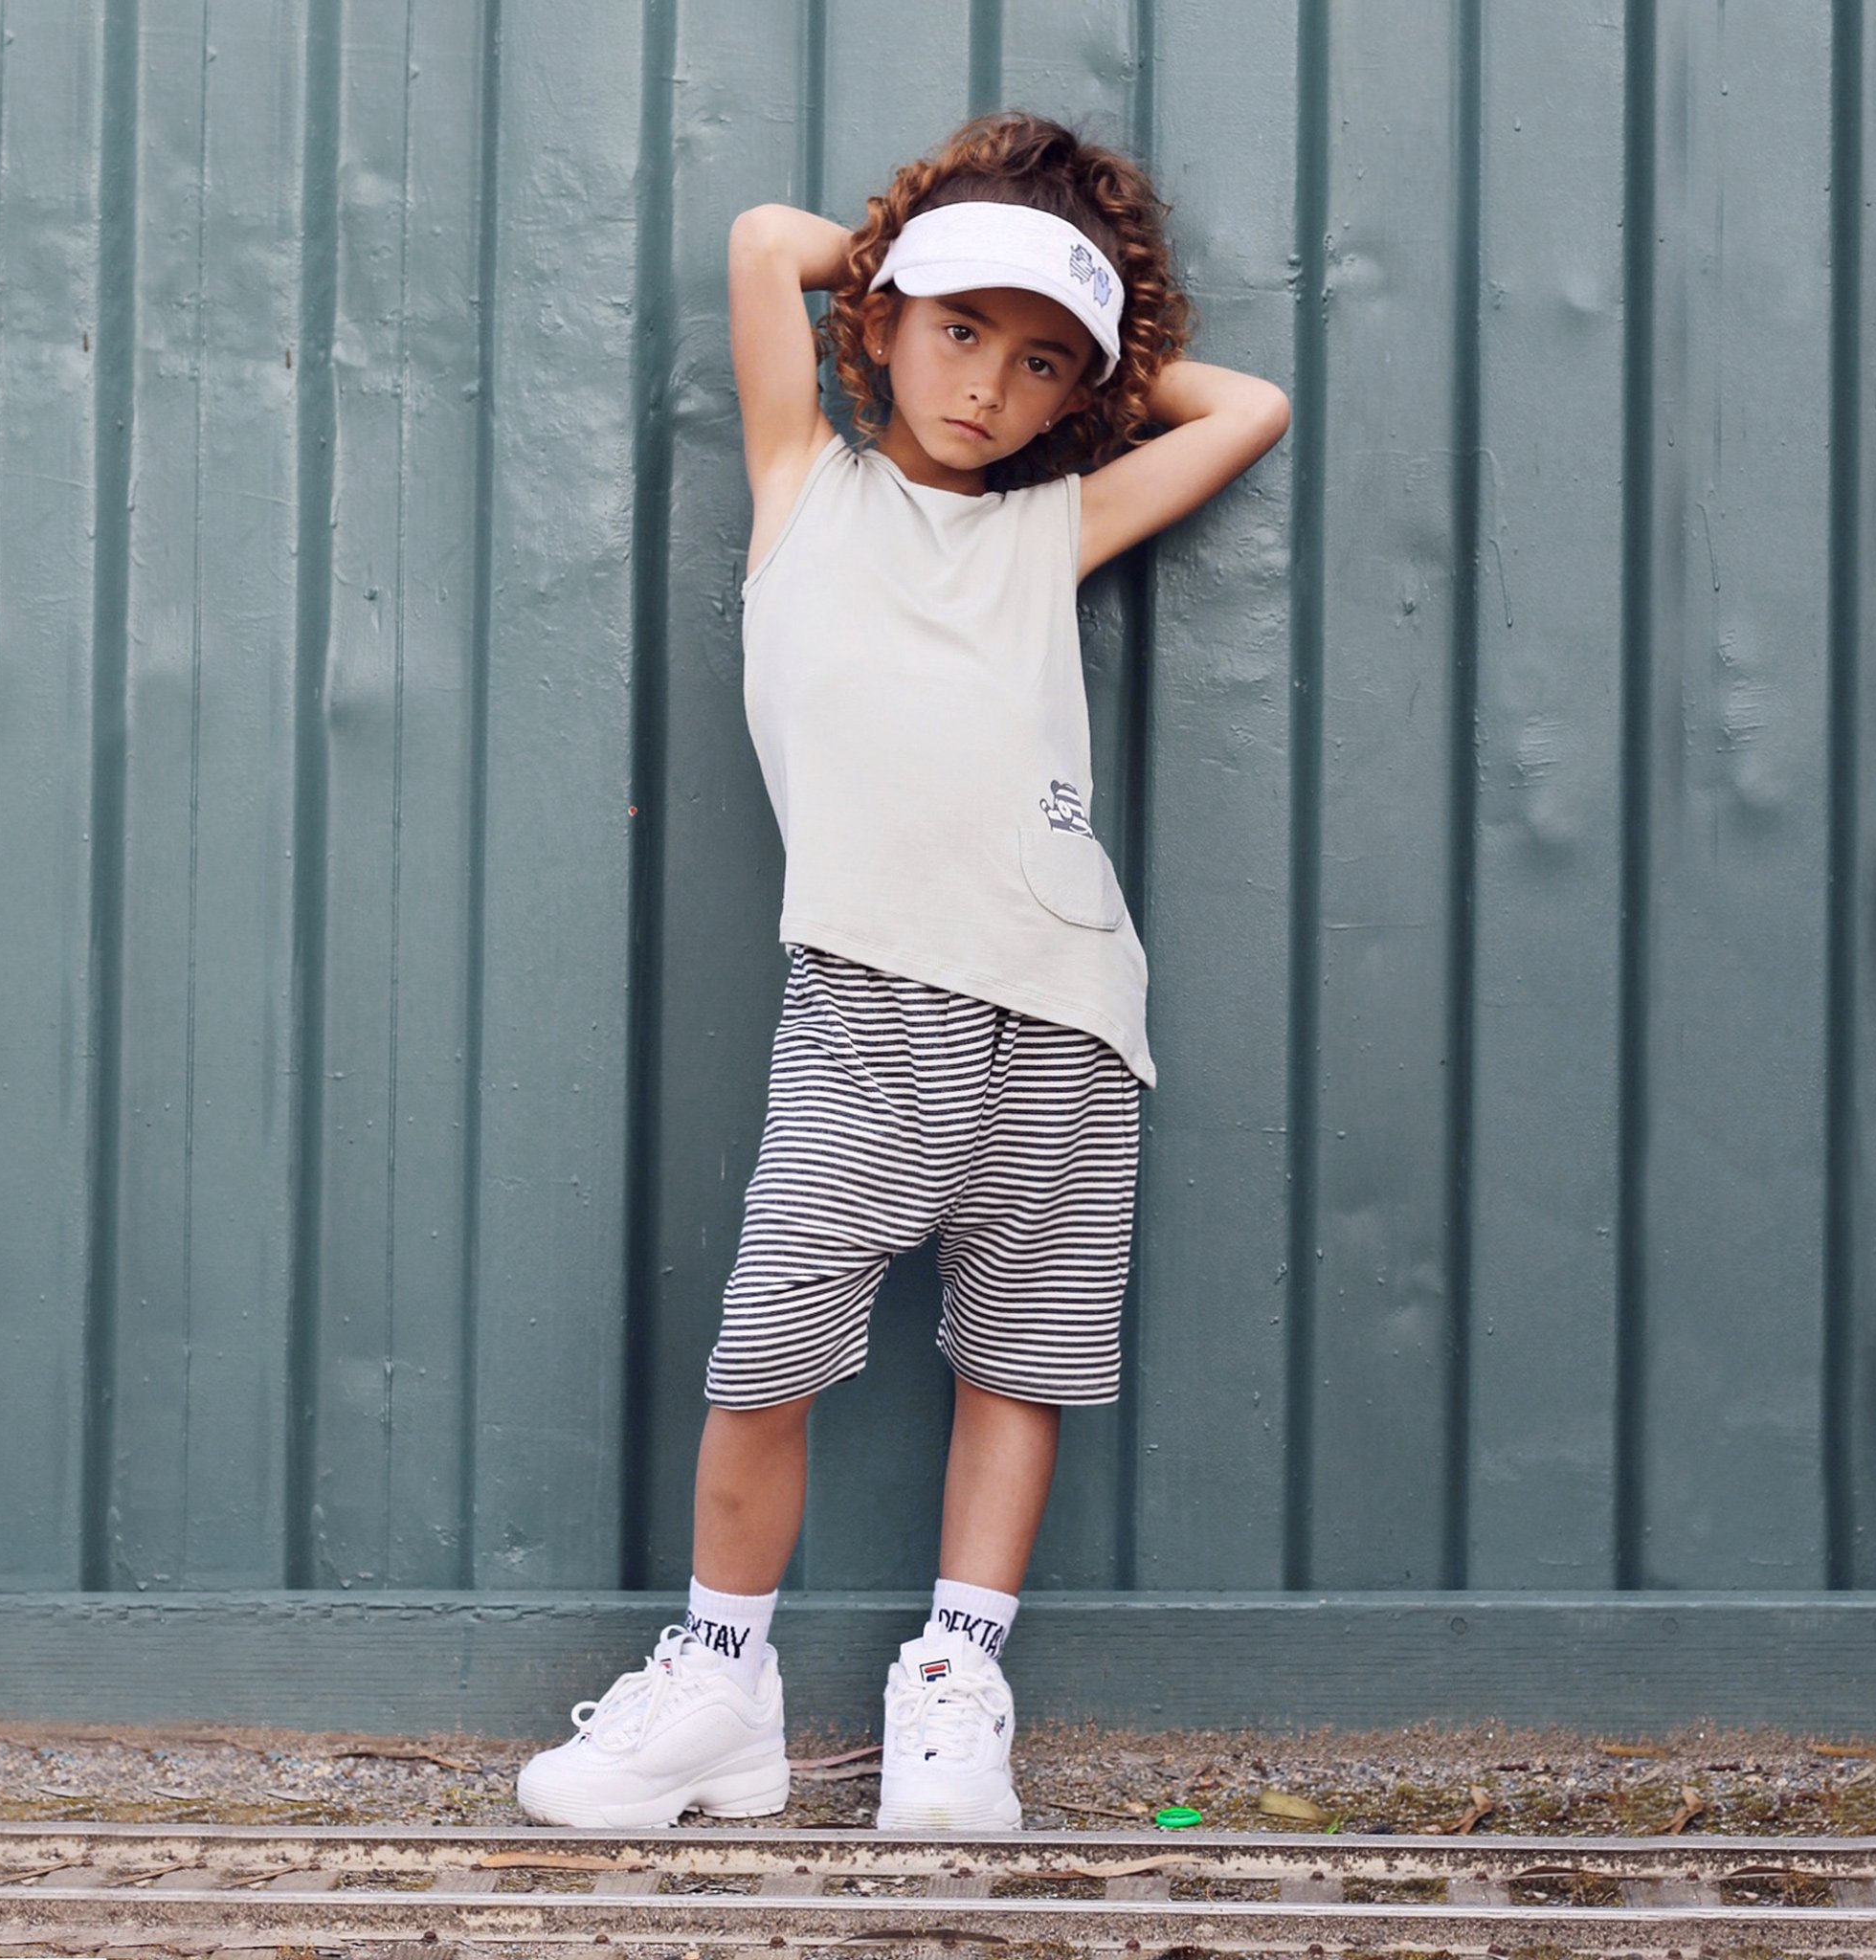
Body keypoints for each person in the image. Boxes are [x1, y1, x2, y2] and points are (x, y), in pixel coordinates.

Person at [517, 109, 1288, 1833]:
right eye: (959, 333)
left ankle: (956, 1682)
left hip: (1077, 1013)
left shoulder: (1048, 528)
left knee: (1022, 1364)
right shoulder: (808, 490)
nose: (988, 388)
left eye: (1037, 368)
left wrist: (1103, 354)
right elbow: (758, 246)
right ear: (876, 324)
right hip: (872, 996)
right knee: (768, 1355)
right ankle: (720, 1684)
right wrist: (913, 258)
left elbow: (1247, 409)